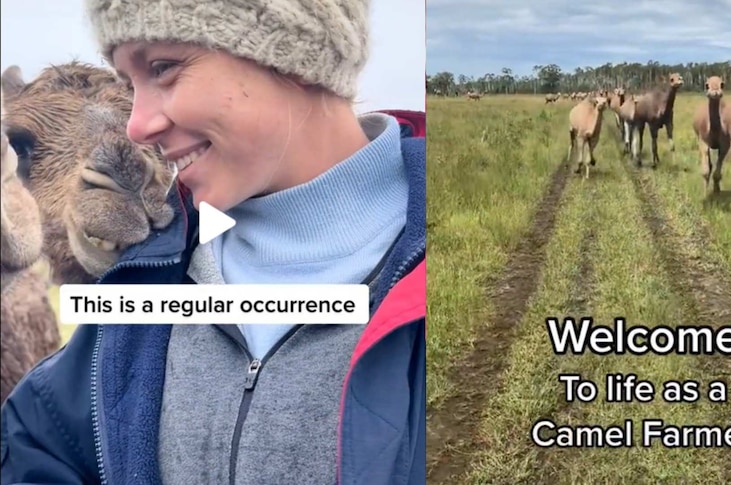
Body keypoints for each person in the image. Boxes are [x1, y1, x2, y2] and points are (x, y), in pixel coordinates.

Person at [0, 0, 426, 484]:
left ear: (293, 56)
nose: (136, 127)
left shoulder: (445, 271)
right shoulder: (142, 298)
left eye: (163, 68)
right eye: (131, 85)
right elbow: (40, 447)